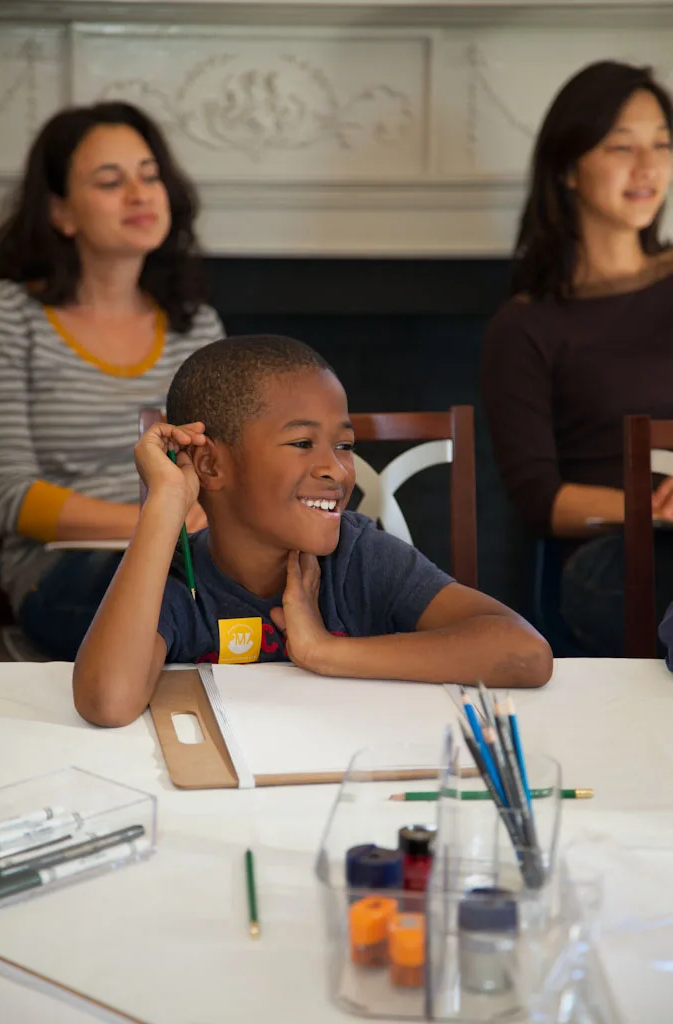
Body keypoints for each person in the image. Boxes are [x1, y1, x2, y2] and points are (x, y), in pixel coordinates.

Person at [72, 334, 552, 728]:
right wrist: (165, 504)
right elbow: (107, 702)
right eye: (303, 443)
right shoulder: (177, 578)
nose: (337, 470)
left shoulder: (358, 556)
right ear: (211, 465)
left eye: (344, 445)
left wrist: (325, 651)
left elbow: (526, 653)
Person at [0, 101, 224, 660]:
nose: (140, 194)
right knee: (166, 593)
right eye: (110, 181)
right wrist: (157, 522)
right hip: (67, 568)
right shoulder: (8, 314)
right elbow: (9, 495)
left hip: (190, 547)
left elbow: (221, 462)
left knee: (335, 562)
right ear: (61, 212)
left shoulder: (196, 323)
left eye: (149, 176)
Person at [480, 60, 673, 657]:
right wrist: (657, 511)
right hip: (616, 558)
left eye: (662, 144)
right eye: (622, 146)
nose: (648, 167)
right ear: (567, 168)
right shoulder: (526, 325)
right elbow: (540, 501)